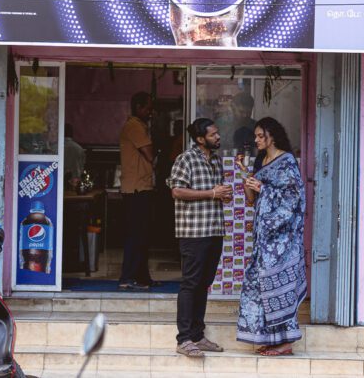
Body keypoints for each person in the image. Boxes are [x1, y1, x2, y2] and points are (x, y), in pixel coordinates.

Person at [235, 117, 307, 356]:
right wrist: (246, 177)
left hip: (283, 240)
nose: (255, 140)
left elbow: (293, 199)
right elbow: (252, 199)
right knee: (260, 285)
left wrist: (263, 188)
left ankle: (285, 342)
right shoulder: (260, 160)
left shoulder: (286, 162)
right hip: (263, 239)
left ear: (271, 135)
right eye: (255, 136)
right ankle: (270, 338)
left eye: (259, 136)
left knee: (280, 287)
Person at [166, 118, 233, 358]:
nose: (218, 137)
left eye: (217, 132)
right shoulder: (186, 159)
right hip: (193, 232)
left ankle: (197, 335)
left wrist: (222, 196)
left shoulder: (215, 160)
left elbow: (214, 193)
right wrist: (212, 192)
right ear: (200, 139)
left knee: (203, 284)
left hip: (214, 230)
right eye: (213, 134)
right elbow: (177, 190)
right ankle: (184, 339)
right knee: (190, 283)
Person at [118, 92, 157, 290]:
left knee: (142, 235)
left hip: (141, 187)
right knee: (136, 234)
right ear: (139, 107)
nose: (151, 112)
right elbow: (149, 155)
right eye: (148, 108)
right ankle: (128, 277)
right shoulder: (134, 126)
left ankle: (142, 277)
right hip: (135, 189)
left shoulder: (139, 126)